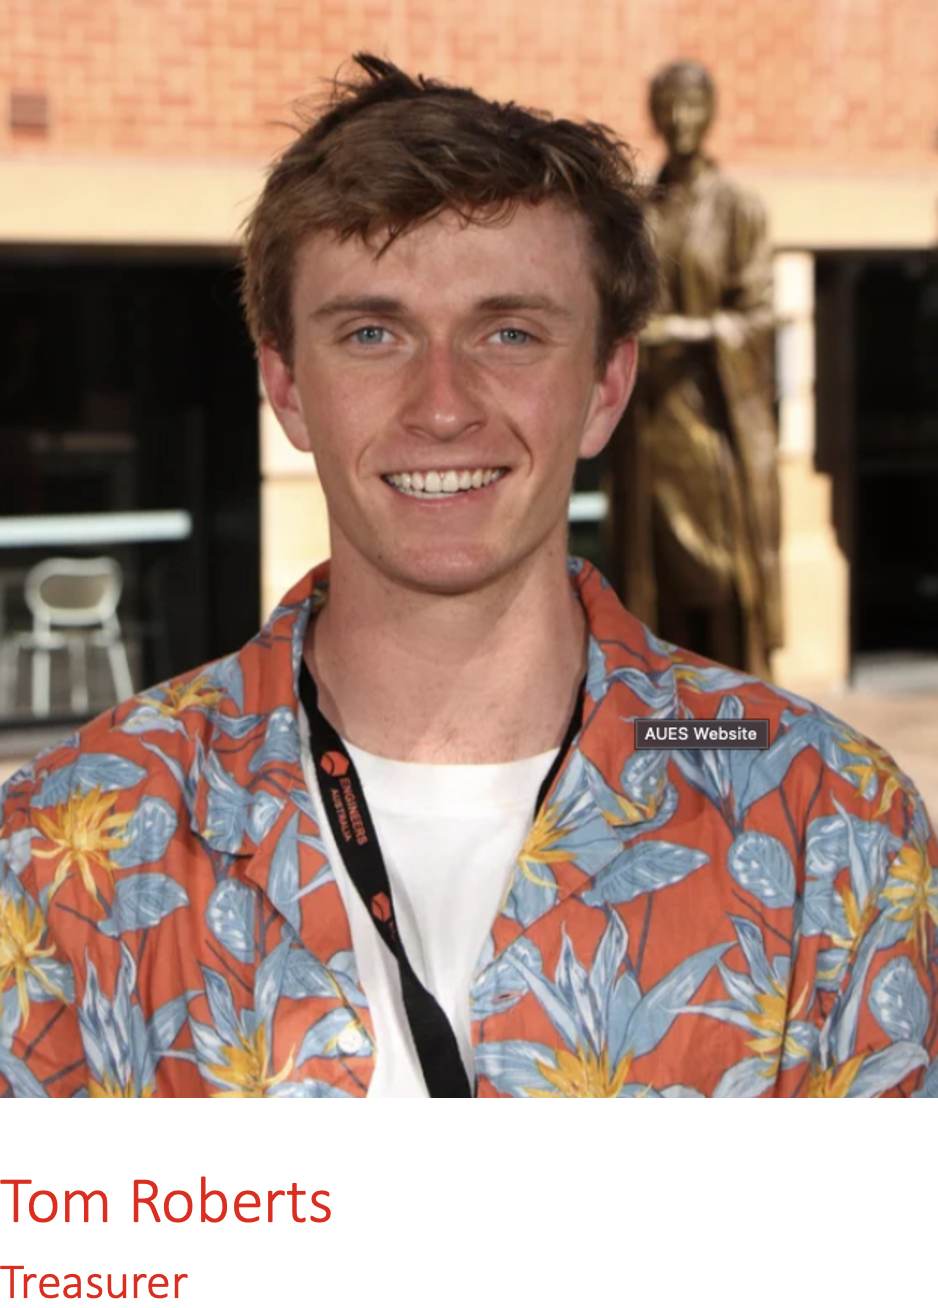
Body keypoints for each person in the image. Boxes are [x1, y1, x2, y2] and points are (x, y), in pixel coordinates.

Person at [0, 56, 935, 1098]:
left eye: (508, 333)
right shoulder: (69, 842)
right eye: (372, 333)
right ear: (286, 387)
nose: (442, 406)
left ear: (606, 385)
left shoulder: (827, 826)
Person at [610, 59, 782, 678]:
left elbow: (758, 316)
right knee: (654, 582)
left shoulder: (738, 209)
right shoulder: (637, 213)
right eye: (668, 106)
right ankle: (671, 717)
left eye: (692, 104)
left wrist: (684, 332)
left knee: (723, 578)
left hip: (713, 426)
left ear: (711, 112)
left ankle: (733, 716)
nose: (680, 118)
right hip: (649, 427)